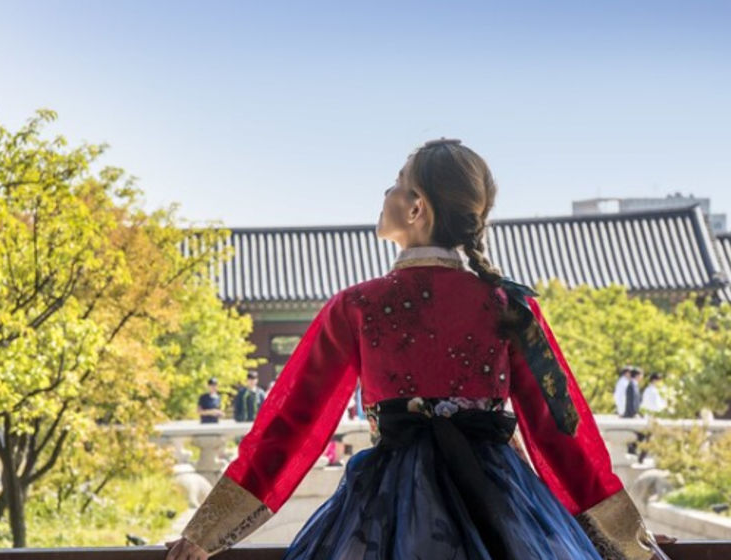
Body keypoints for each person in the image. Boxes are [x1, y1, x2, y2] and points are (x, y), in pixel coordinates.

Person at [166, 139, 671, 560]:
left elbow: (290, 425)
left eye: (397, 181)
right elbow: (564, 432)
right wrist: (631, 544)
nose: (385, 192)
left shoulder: (358, 306)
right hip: (508, 513)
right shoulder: (510, 307)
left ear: (416, 206)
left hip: (383, 509)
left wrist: (206, 535)